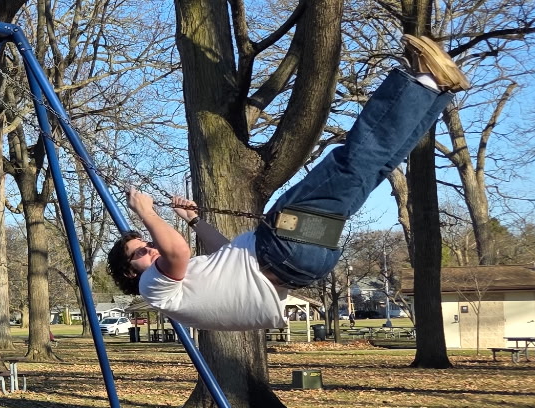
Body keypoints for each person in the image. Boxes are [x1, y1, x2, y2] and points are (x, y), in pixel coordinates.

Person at [105, 36, 469, 331]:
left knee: (369, 171)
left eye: (148, 244)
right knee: (347, 163)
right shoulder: (153, 286)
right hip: (281, 247)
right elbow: (179, 253)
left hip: (306, 260)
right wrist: (147, 213)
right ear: (129, 271)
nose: (151, 249)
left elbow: (225, 254)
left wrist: (195, 222)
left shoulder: (180, 288)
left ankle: (436, 91)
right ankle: (425, 83)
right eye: (140, 251)